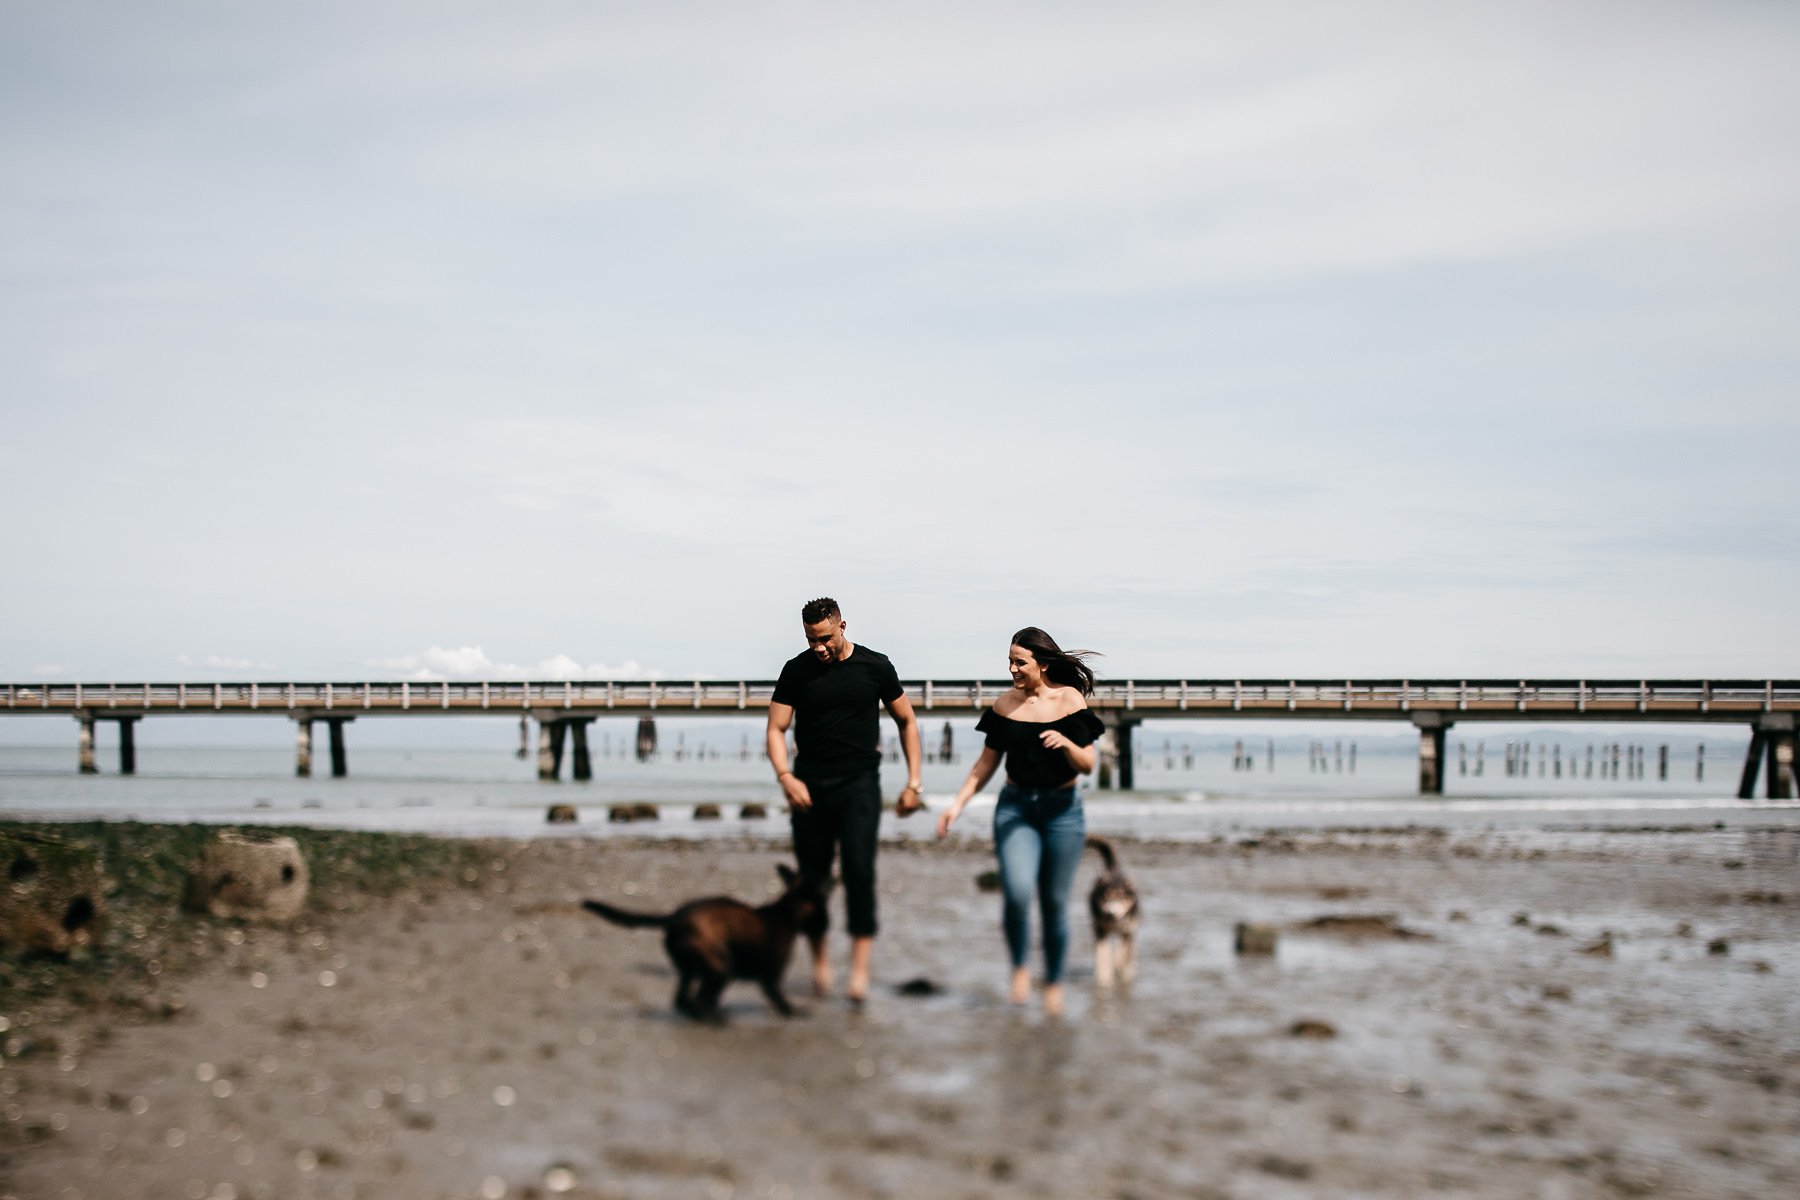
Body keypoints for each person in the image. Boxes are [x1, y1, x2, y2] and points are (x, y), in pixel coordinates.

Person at [936, 627, 1103, 1015]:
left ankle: (1055, 983)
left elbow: (1089, 764)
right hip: (1016, 809)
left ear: (1043, 664)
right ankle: (1020, 969)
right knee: (1016, 893)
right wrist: (956, 805)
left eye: (1019, 662)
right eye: (1009, 661)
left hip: (1063, 812)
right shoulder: (1005, 705)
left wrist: (1068, 744)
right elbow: (985, 765)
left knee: (1054, 904)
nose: (1012, 668)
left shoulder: (1069, 700)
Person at [767, 597, 923, 1002]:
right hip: (809, 787)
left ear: (842, 627)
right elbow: (776, 729)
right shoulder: (795, 670)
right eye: (810, 639)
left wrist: (914, 783)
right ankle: (820, 962)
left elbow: (906, 720)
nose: (818, 647)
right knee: (812, 879)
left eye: (824, 638)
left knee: (859, 873)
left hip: (859, 784)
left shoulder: (875, 666)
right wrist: (785, 776)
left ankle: (858, 973)